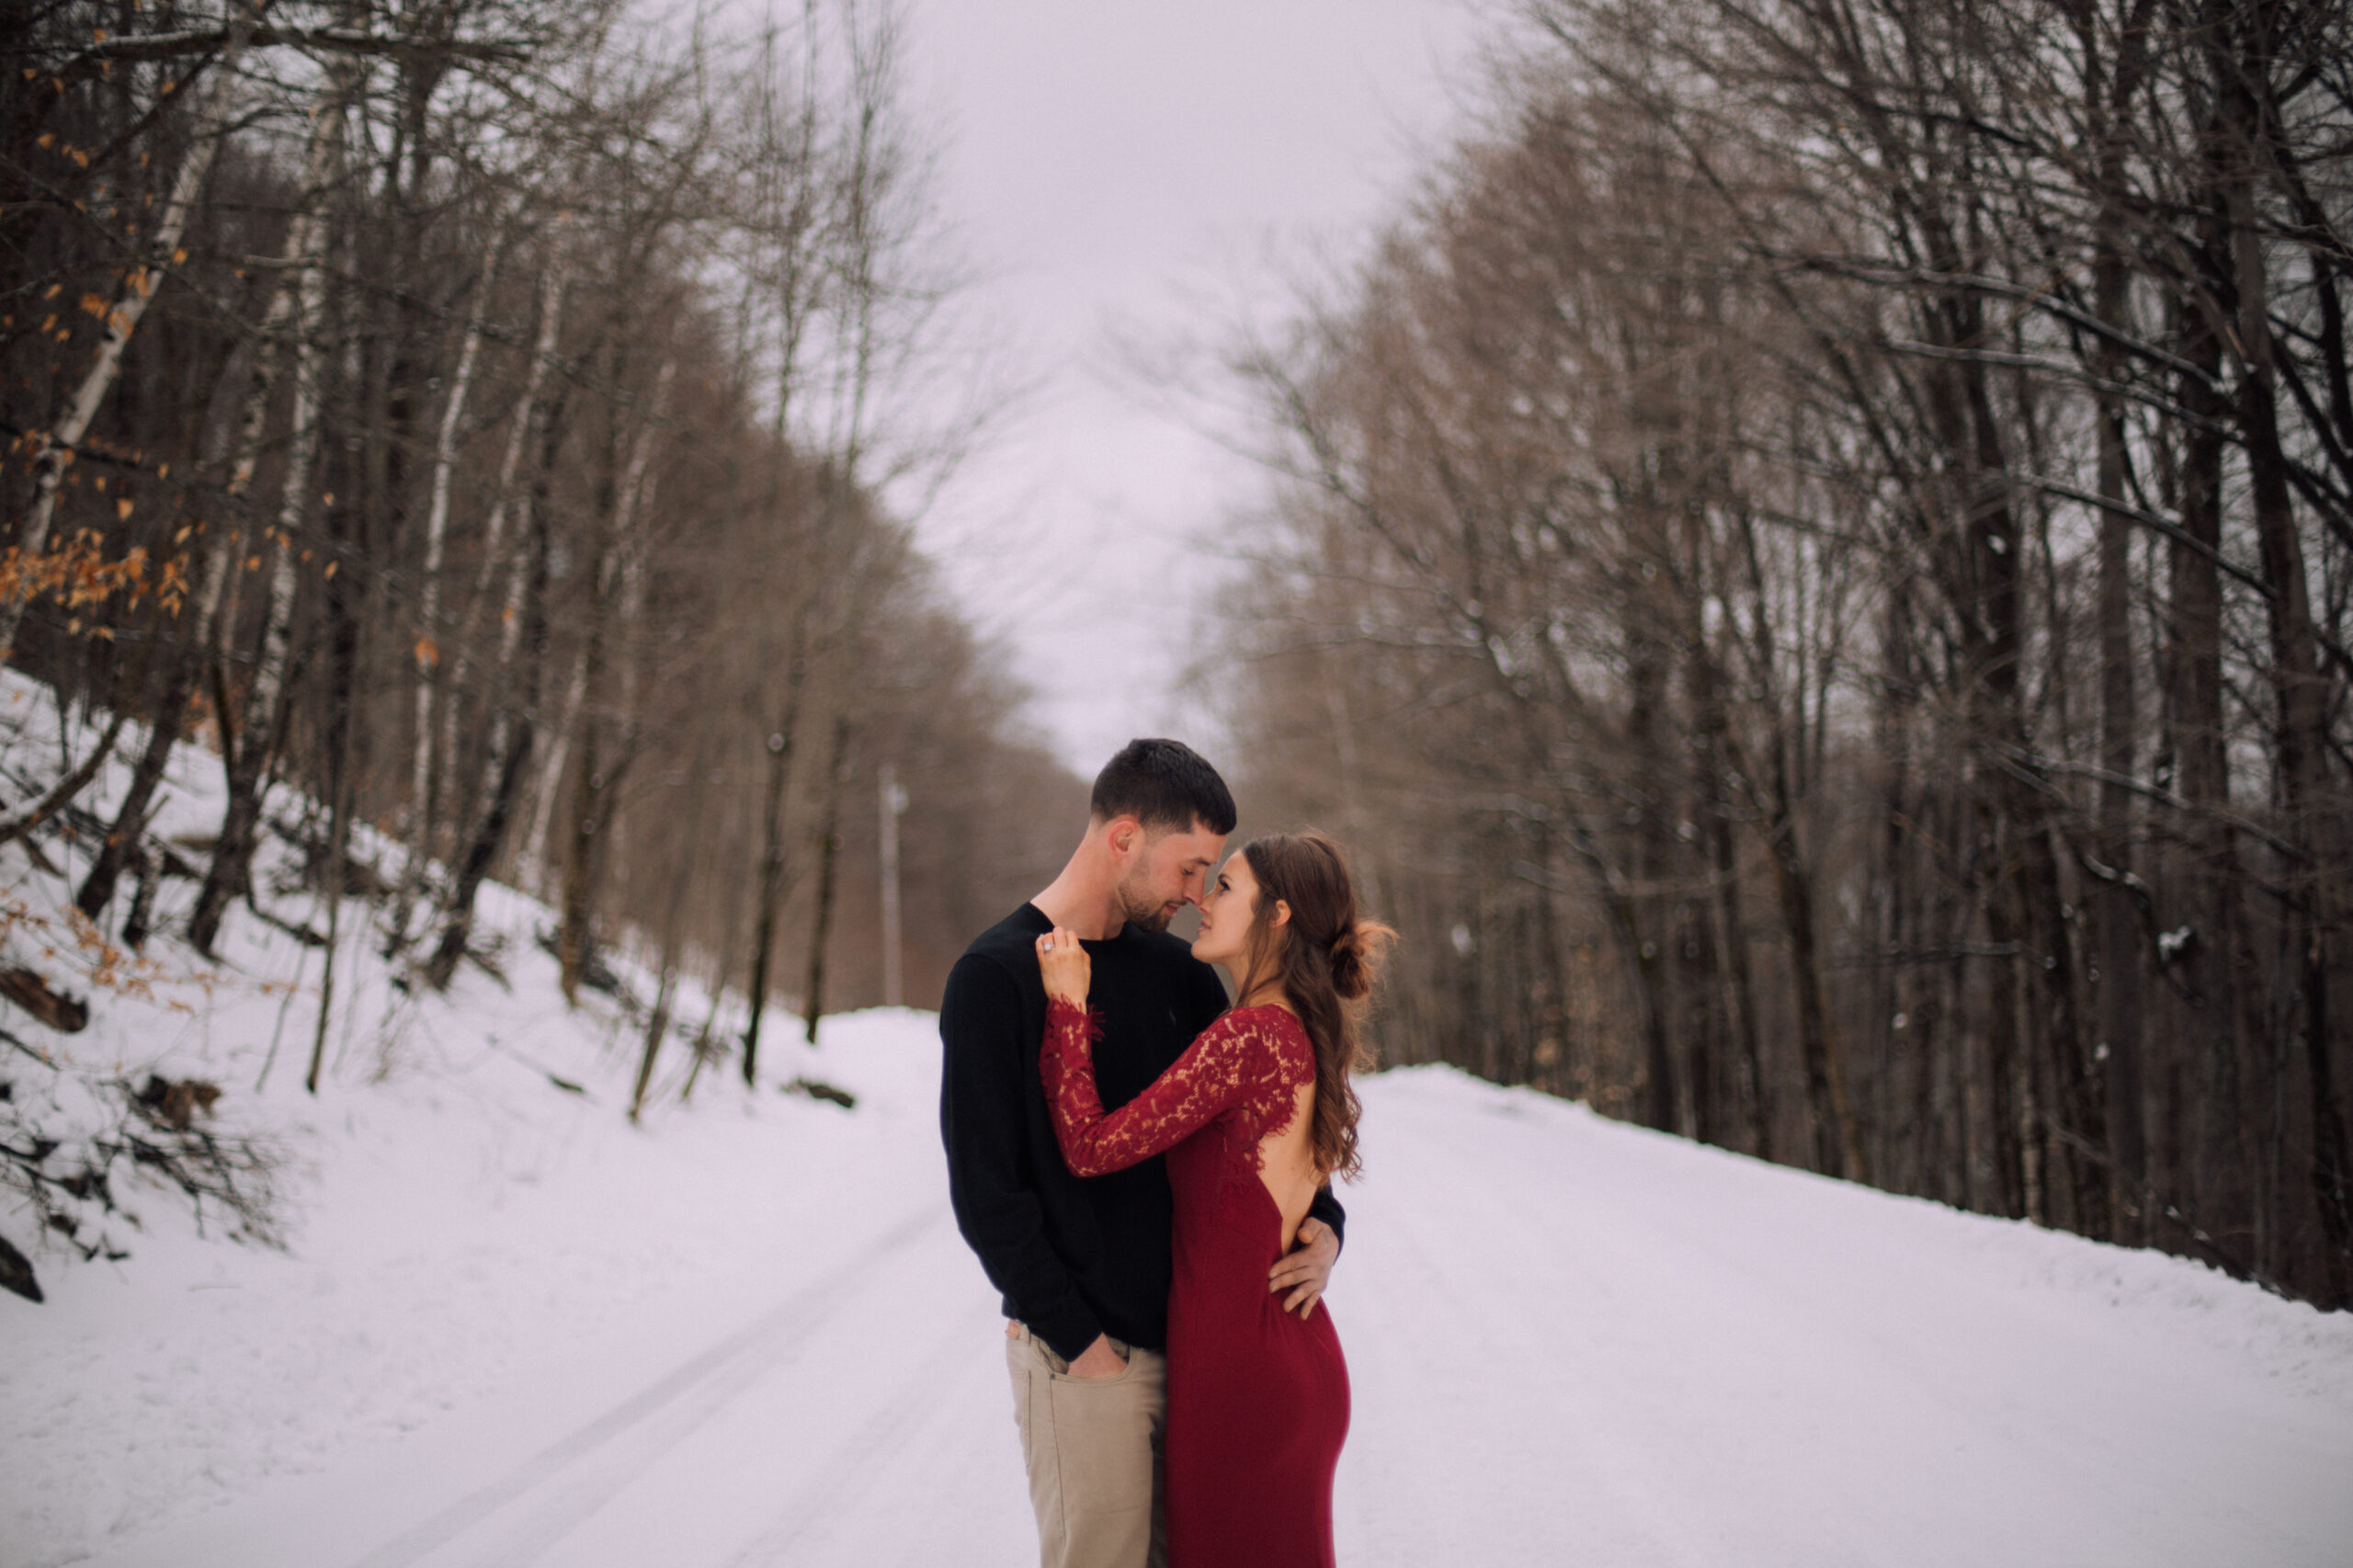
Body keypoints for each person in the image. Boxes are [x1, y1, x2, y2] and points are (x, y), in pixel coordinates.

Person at [940, 740, 1345, 1568]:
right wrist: (1077, 1343)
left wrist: (1325, 1223)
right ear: (1125, 838)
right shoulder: (994, 975)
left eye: (1214, 877)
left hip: (1200, 1359)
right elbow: (989, 1196)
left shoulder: (1180, 971)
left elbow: (1265, 1127)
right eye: (1191, 868)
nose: (1197, 897)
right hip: (1092, 1361)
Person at [1034, 830, 1384, 1568]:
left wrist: (1069, 1007)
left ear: (1278, 915)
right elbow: (1293, 1186)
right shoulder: (1298, 1032)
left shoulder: (1249, 1038)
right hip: (1289, 1358)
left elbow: (1091, 1147)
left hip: (1240, 1377)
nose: (1203, 899)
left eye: (1226, 886)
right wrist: (1327, 1231)